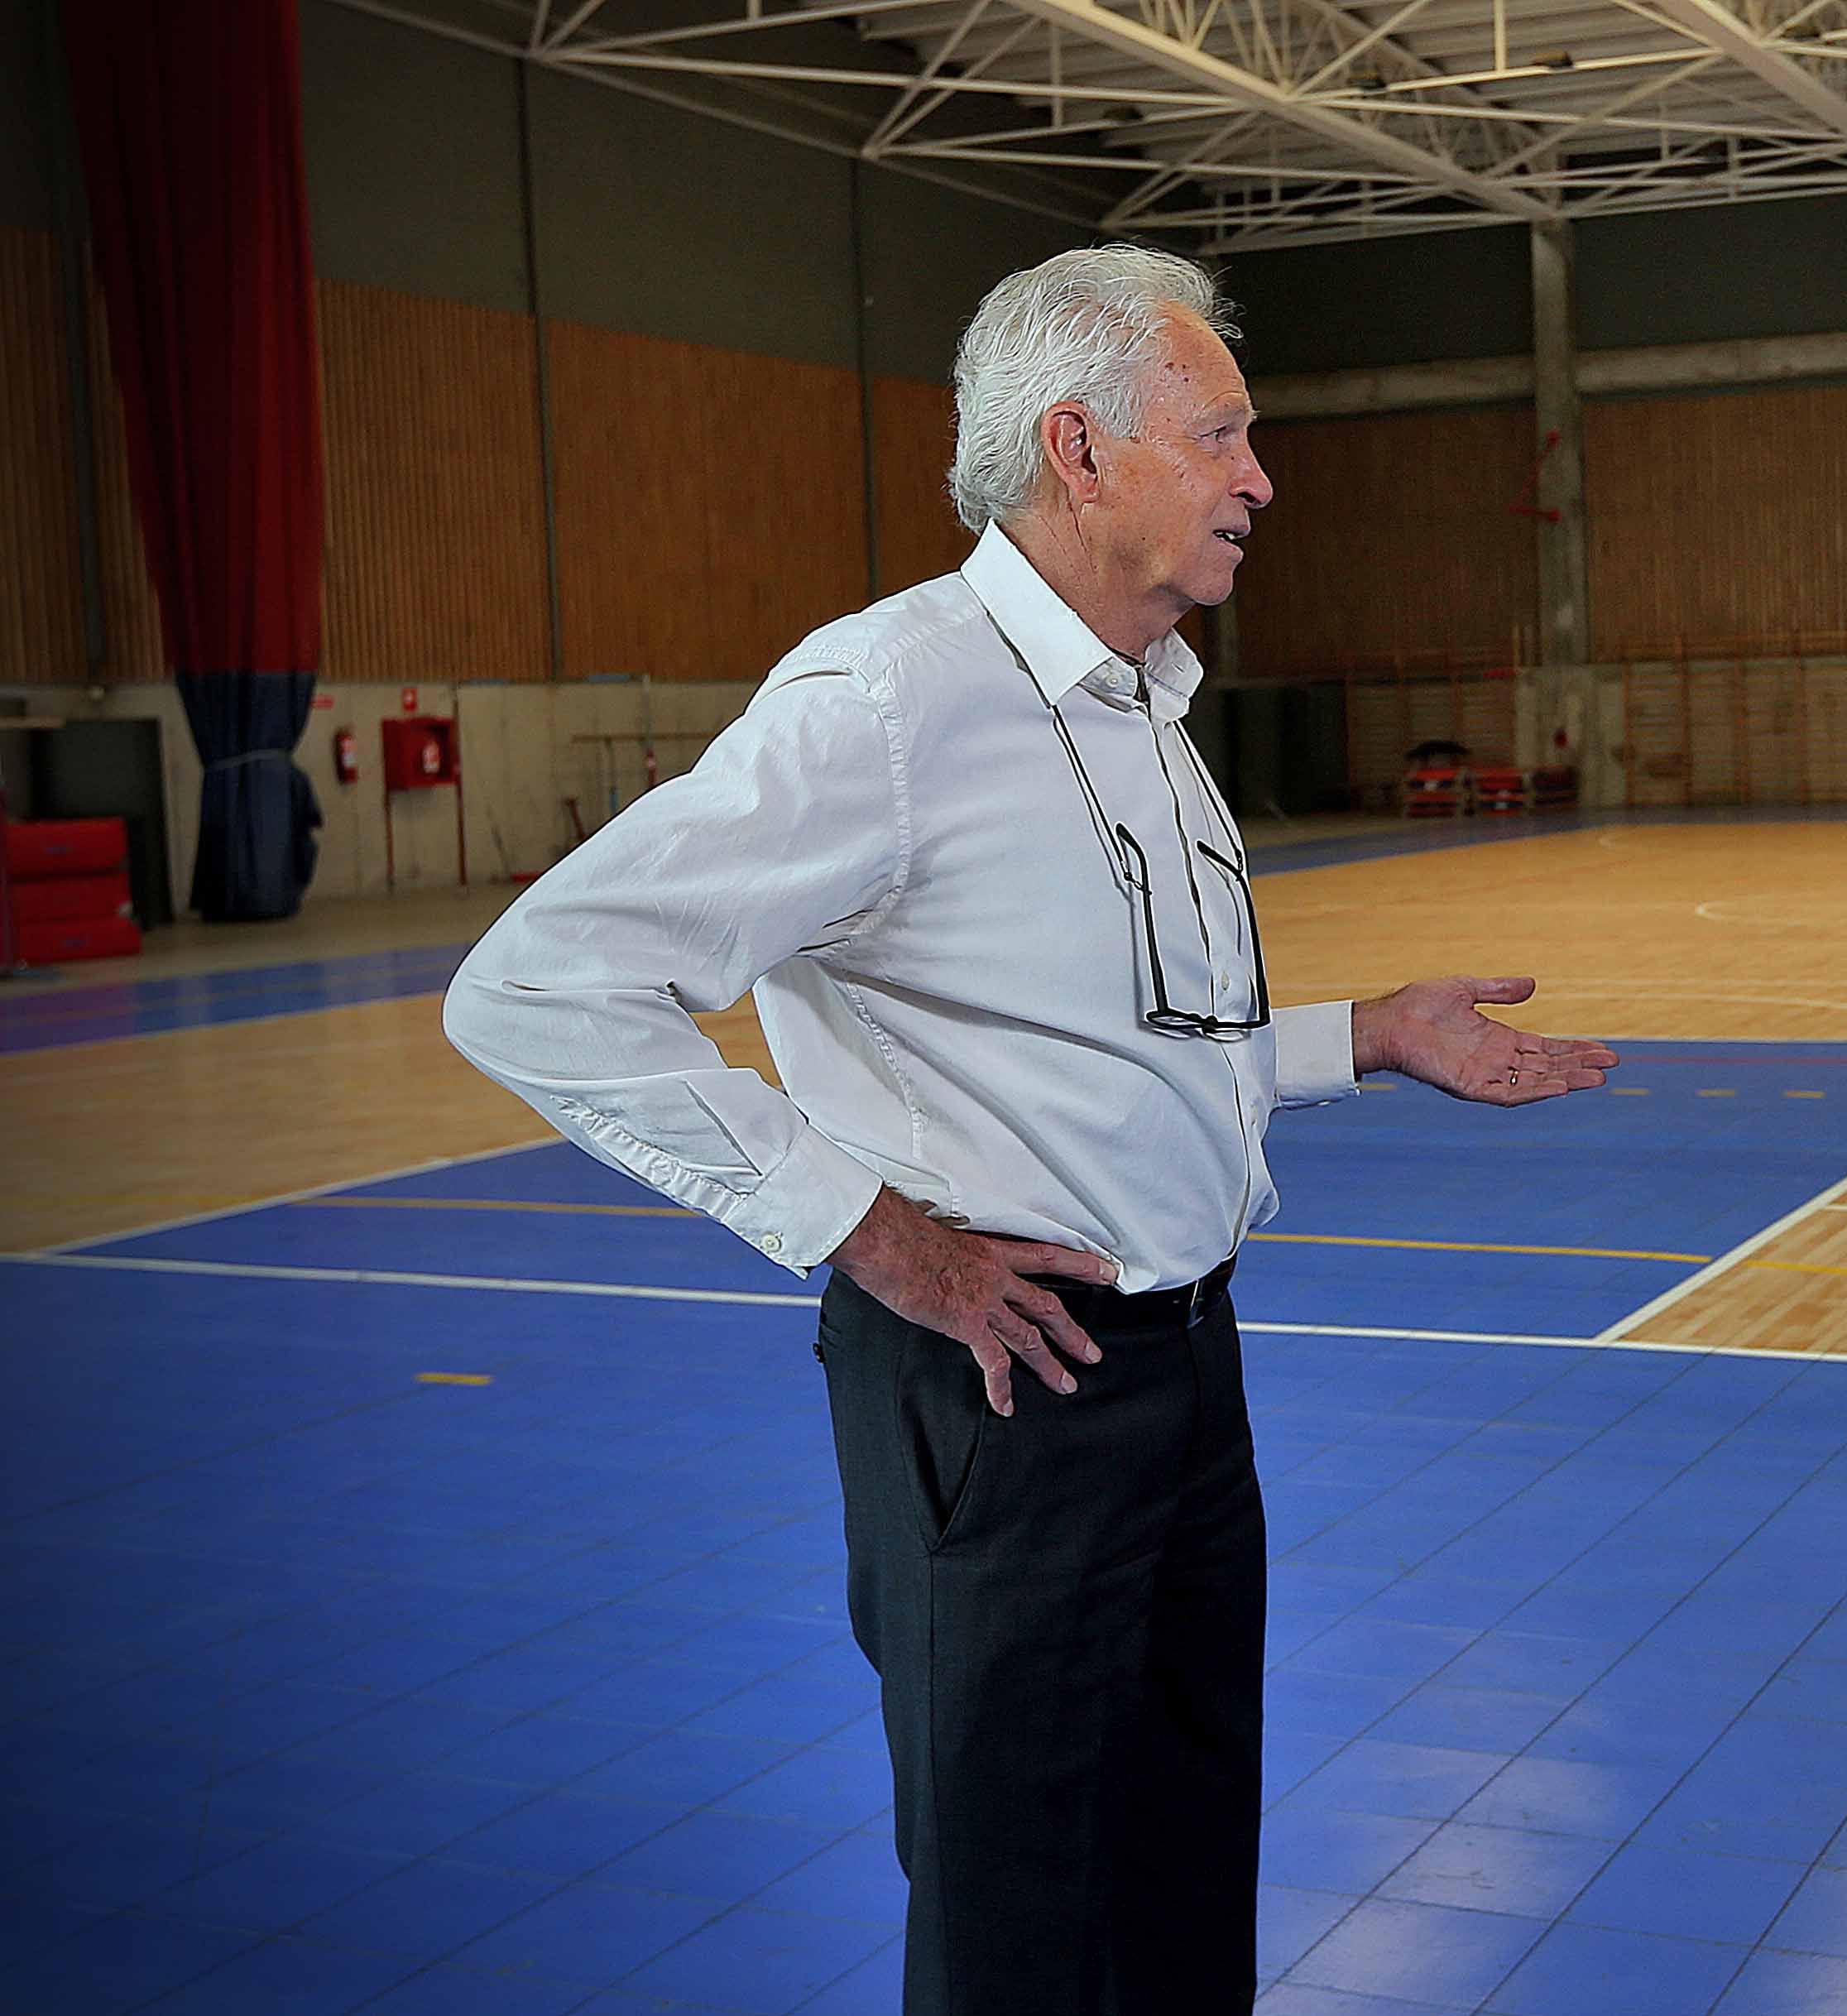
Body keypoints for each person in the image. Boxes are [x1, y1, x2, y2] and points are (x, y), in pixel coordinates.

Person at [444, 245, 1615, 2016]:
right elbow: (537, 985)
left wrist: (1358, 1040)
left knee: (1176, 1879)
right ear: (1078, 450)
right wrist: (873, 1230)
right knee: (1018, 1927)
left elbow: (1121, 1037)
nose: (1258, 477)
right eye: (1221, 436)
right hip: (1005, 1402)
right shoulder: (890, 703)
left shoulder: (1148, 704)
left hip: (1186, 1384)